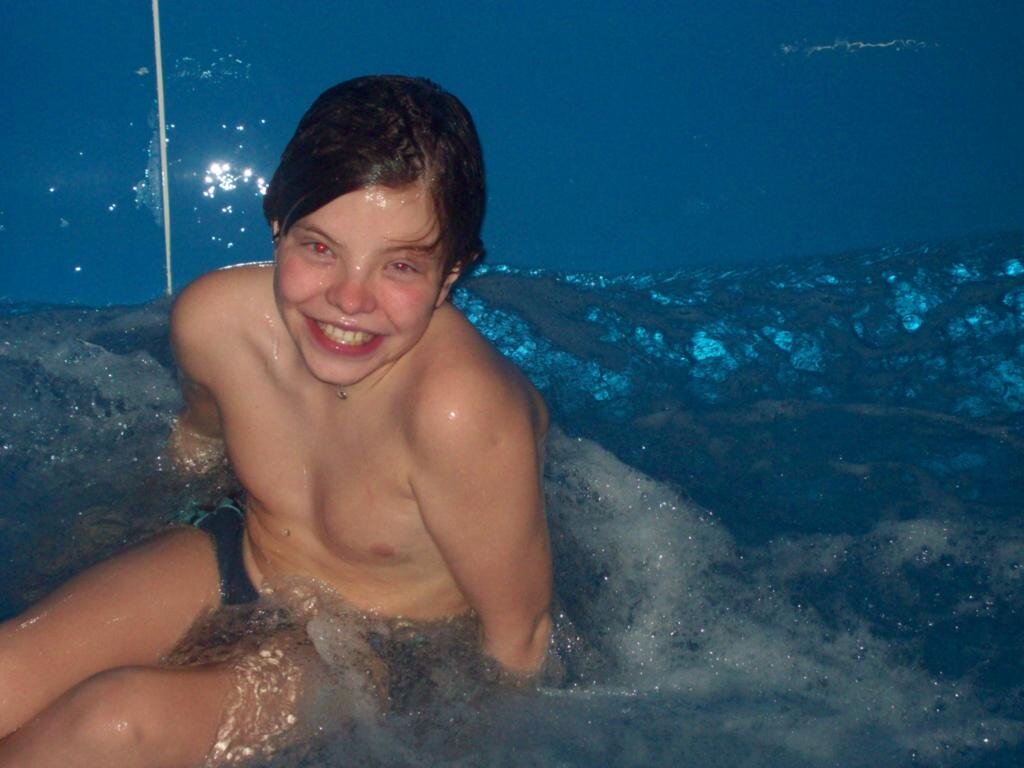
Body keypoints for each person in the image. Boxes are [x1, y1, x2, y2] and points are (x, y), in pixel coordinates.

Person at [0, 75, 553, 766]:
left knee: (115, 722)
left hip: (379, 648)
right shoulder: (216, 324)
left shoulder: (457, 413)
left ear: (451, 275)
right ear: (276, 226)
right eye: (319, 248)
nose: (349, 299)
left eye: (400, 266)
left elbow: (520, 639)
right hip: (245, 554)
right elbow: (198, 444)